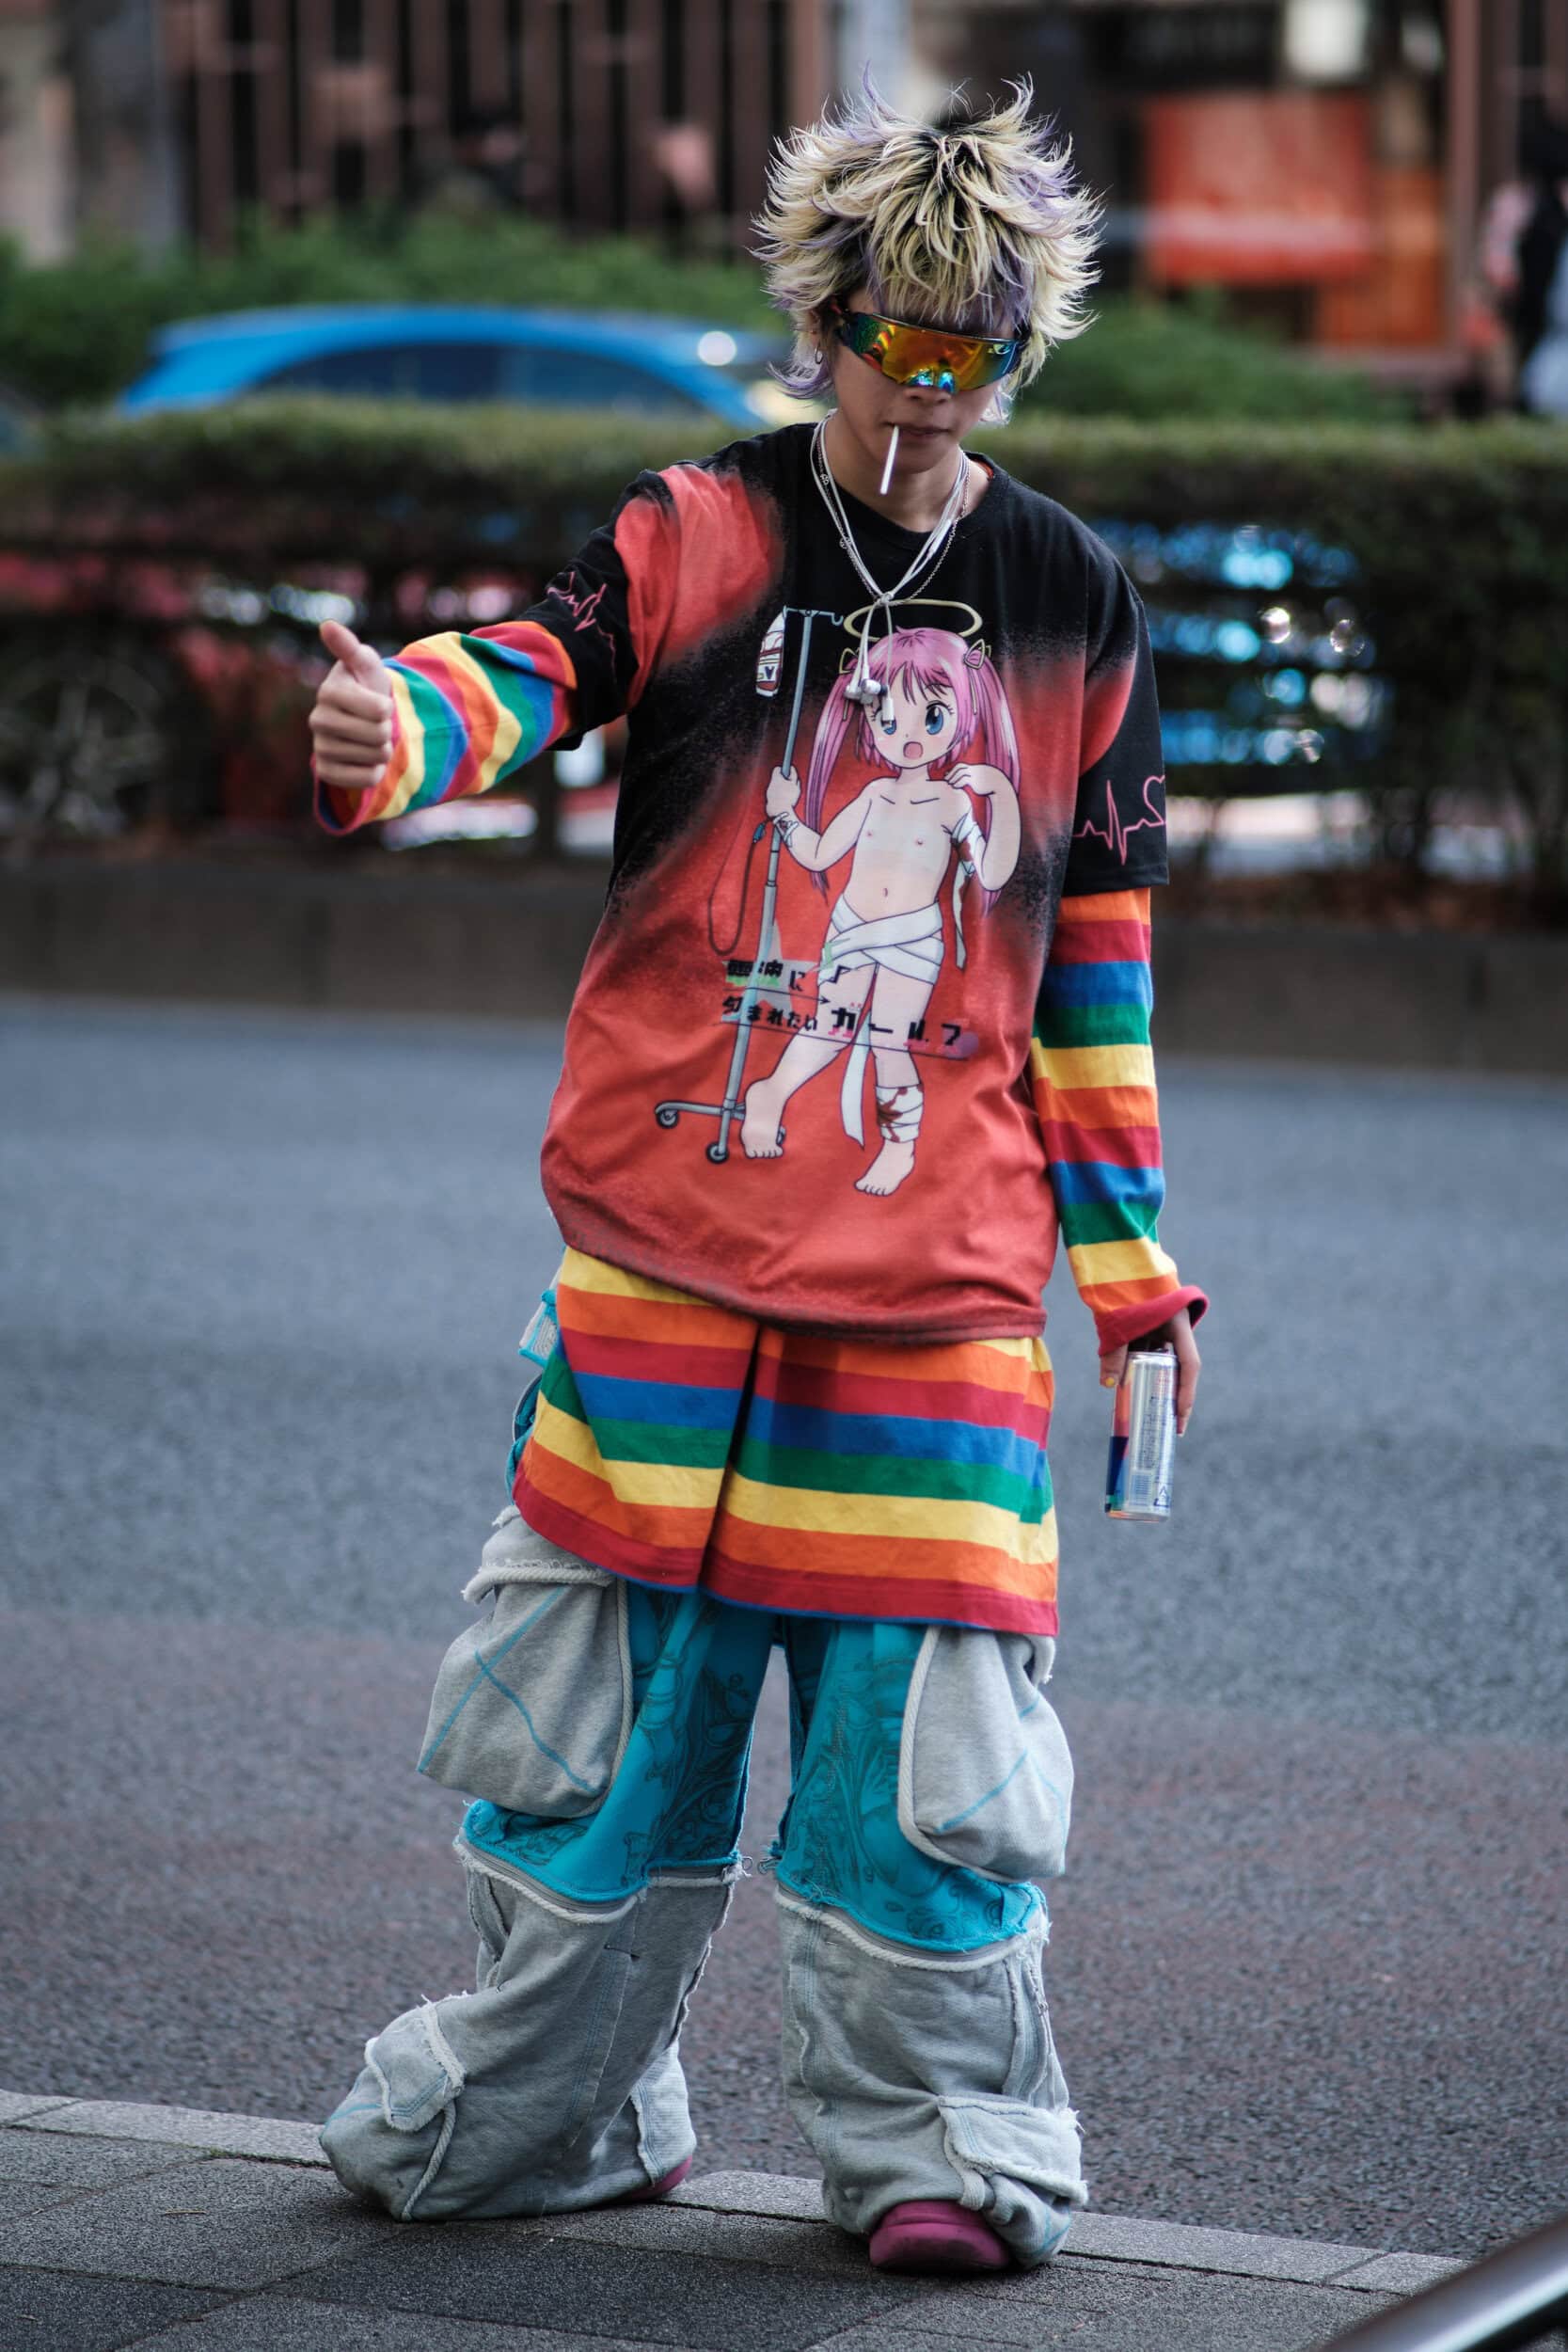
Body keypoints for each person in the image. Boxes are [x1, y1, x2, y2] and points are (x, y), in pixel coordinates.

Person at [308, 79, 1207, 2276]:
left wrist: (1129, 1263)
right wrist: (402, 727)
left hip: (935, 1297)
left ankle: (944, 2142)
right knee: (600, 1735)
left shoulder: (1072, 601)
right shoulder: (698, 528)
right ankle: (558, 2102)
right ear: (821, 319)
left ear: (1020, 346)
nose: (930, 386)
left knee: (921, 1762)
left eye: (975, 347)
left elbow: (1094, 972)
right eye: (896, 336)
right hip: (666, 1262)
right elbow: (538, 668)